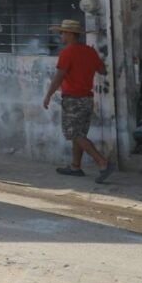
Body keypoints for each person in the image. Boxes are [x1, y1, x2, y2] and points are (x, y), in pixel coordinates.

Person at [43, 19, 114, 183]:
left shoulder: (67, 53)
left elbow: (58, 77)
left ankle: (102, 163)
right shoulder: (89, 51)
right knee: (79, 134)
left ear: (69, 34)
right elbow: (102, 70)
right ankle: (75, 166)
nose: (60, 36)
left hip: (73, 99)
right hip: (87, 98)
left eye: (62, 33)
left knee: (74, 133)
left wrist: (48, 95)